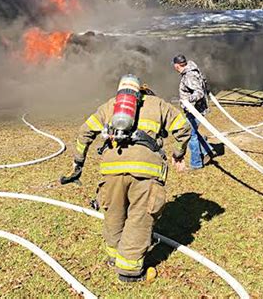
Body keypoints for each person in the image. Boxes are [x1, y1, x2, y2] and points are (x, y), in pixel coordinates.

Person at [61, 77, 191, 282]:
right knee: (139, 218)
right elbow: (183, 128)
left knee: (114, 214)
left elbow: (85, 131)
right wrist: (178, 152)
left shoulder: (110, 106)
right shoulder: (158, 104)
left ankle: (114, 258)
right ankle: (129, 271)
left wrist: (78, 162)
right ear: (143, 92)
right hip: (146, 171)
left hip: (112, 171)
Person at [172, 54, 216, 169]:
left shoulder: (189, 76)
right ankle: (208, 152)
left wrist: (187, 100)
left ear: (177, 66)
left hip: (195, 110)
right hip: (197, 109)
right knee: (194, 132)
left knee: (192, 136)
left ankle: (196, 164)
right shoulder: (192, 71)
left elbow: (199, 93)